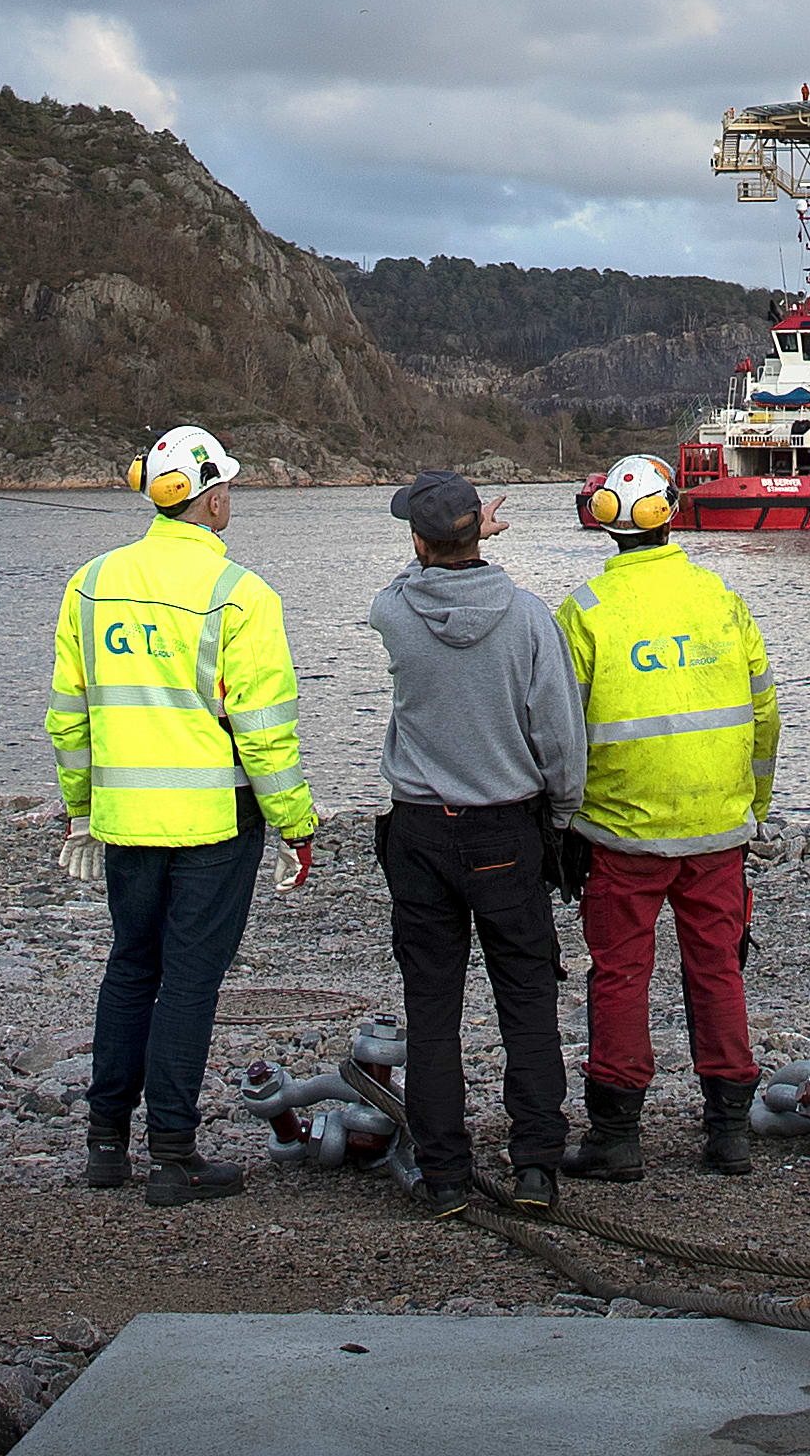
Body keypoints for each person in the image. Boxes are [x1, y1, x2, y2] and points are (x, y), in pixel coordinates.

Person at [49, 421, 320, 1205]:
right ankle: (174, 1153)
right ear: (212, 498)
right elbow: (265, 733)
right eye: (225, 485)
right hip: (215, 821)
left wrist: (79, 811)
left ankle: (106, 1144)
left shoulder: (90, 584)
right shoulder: (241, 595)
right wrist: (295, 824)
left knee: (132, 967)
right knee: (190, 981)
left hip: (125, 819)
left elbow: (68, 718)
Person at [554, 452, 781, 1181]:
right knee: (718, 970)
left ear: (604, 520)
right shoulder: (721, 599)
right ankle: (730, 1133)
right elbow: (765, 714)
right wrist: (752, 808)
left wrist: (561, 820)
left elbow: (558, 733)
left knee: (620, 974)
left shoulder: (584, 612)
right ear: (672, 513)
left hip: (620, 834)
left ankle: (617, 1138)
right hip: (717, 832)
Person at [365, 468, 585, 1213]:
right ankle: (536, 1168)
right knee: (527, 999)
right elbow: (560, 737)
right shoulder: (528, 617)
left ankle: (445, 1175)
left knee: (432, 1007)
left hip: (420, 829)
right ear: (477, 535)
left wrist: (448, 546)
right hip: (507, 828)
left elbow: (404, 582)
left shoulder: (395, 612)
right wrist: (562, 816)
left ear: (418, 541)